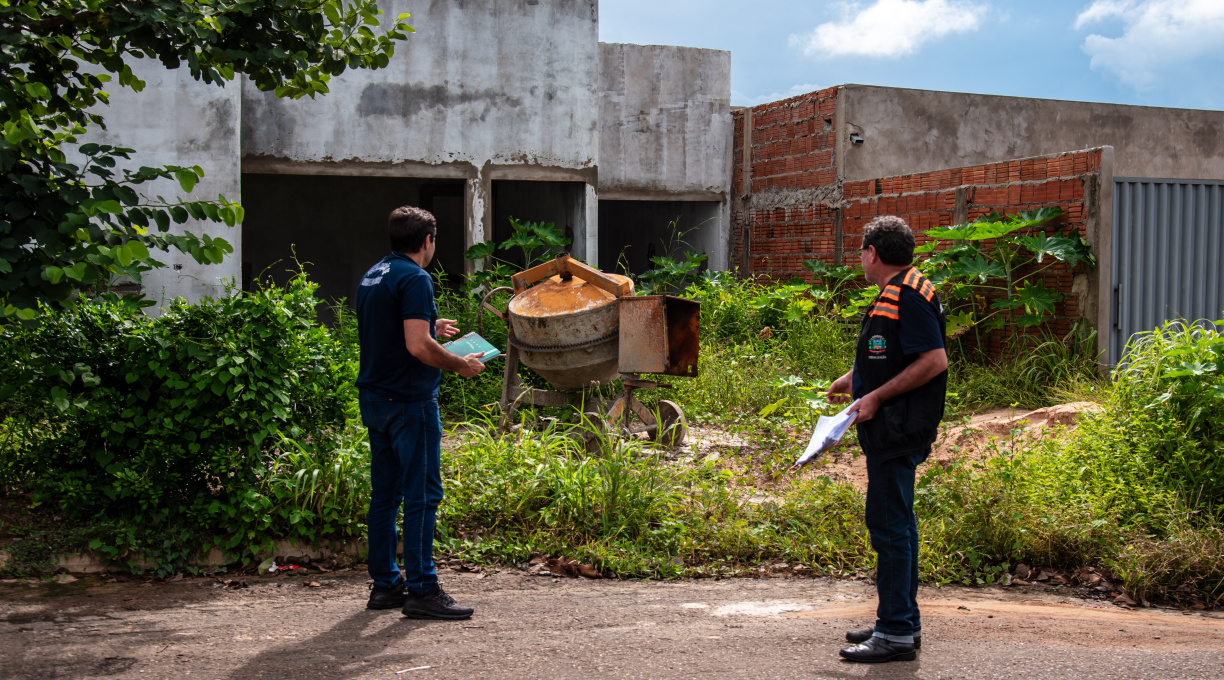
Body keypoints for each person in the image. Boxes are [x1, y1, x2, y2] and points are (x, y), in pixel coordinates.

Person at [826, 215, 948, 663]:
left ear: (872, 253)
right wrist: (855, 378)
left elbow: (933, 360)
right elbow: (893, 355)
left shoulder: (909, 296)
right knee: (898, 524)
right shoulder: (901, 290)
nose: (860, 258)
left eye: (861, 251)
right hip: (892, 425)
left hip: (898, 427)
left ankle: (895, 631)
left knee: (890, 526)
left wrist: (874, 396)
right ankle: (899, 621)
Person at [356, 206, 486, 619]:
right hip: (409, 402)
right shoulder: (416, 277)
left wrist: (433, 329)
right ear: (428, 240)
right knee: (423, 496)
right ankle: (423, 589)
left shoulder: (375, 273)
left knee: (385, 497)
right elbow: (416, 346)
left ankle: (386, 586)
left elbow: (398, 331)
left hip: (376, 399)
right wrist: (459, 363)